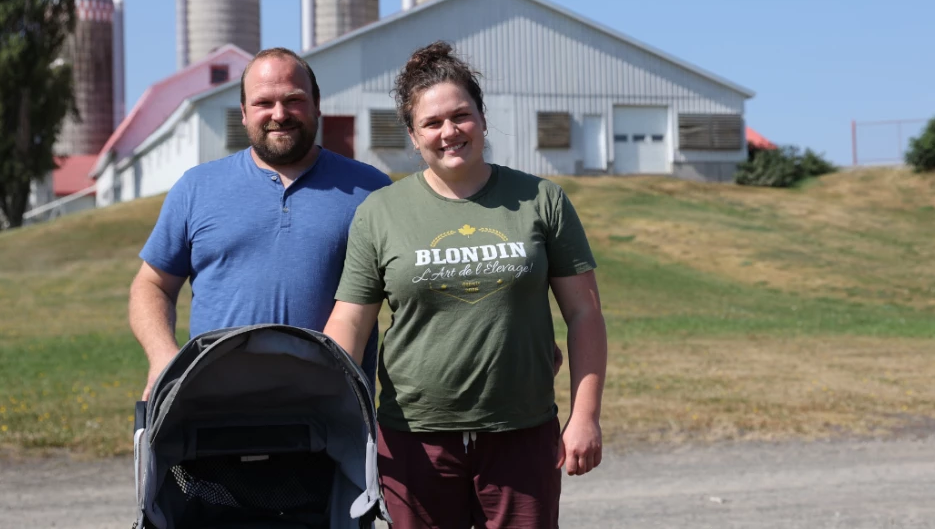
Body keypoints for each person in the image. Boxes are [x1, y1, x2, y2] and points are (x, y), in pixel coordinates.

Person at [323, 41, 608, 528]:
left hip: (521, 431)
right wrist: (319, 399)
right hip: (414, 436)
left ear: (482, 117)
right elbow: (350, 320)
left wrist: (585, 417)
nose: (449, 132)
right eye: (432, 123)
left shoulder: (541, 199)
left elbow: (585, 315)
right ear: (414, 136)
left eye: (461, 115)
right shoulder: (380, 213)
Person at [129, 47, 389, 400]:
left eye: (293, 100)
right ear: (243, 113)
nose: (279, 114)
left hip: (329, 415)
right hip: (211, 407)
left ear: (317, 104)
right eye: (263, 103)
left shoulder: (371, 191)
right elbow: (152, 285)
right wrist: (162, 358)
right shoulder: (197, 188)